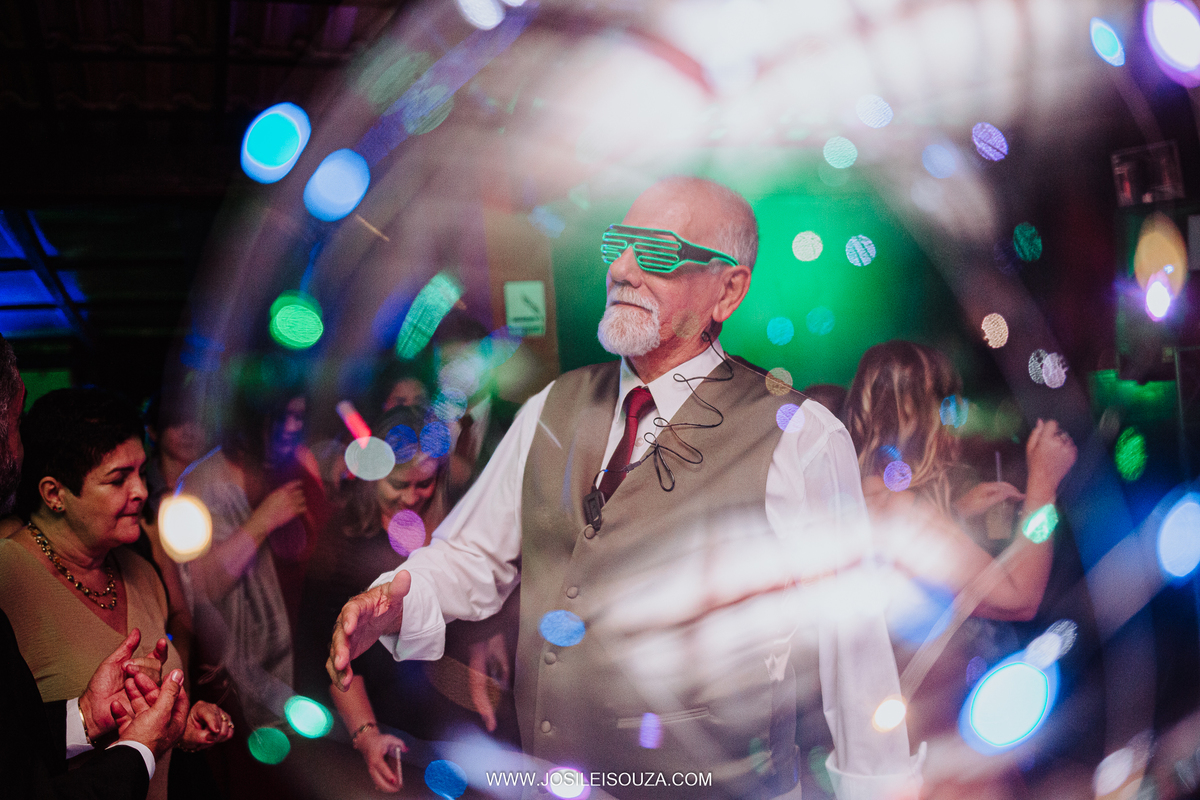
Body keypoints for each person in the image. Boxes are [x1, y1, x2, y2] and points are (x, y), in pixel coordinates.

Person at [329, 177, 922, 799]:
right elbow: (472, 554)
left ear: (728, 289)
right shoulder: (551, 407)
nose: (623, 268)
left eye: (660, 253)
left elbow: (853, 646)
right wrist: (395, 602)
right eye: (620, 243)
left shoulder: (799, 436)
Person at [0, 388, 233, 800]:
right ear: (54, 494)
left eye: (142, 473)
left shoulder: (140, 571)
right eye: (118, 479)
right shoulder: (7, 576)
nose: (141, 491)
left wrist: (180, 724)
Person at [843, 341, 1077, 622]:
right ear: (916, 416)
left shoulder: (866, 493)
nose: (961, 414)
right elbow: (1020, 599)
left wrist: (955, 512)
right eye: (951, 403)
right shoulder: (895, 509)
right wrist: (1043, 484)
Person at [180, 360, 325, 728]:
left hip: (306, 657)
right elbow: (202, 586)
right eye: (282, 417)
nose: (293, 427)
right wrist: (261, 522)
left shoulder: (299, 465)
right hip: (236, 681)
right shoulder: (203, 482)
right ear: (251, 417)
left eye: (299, 417)